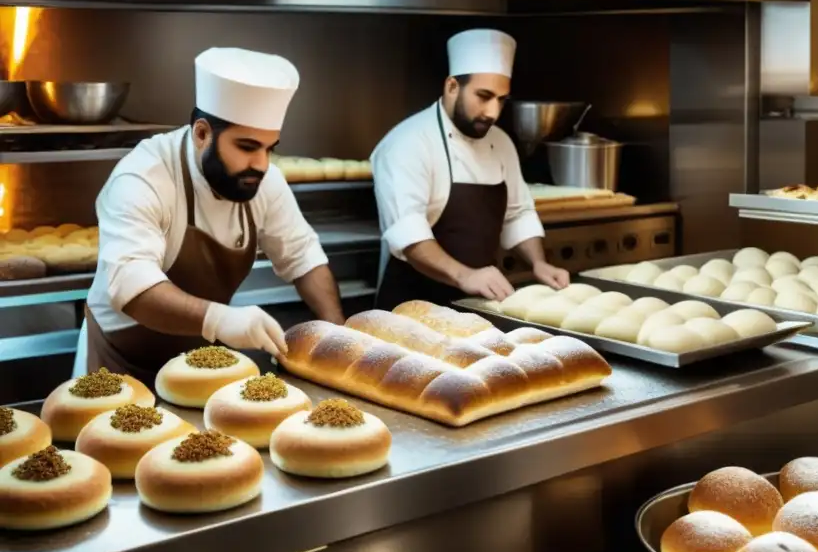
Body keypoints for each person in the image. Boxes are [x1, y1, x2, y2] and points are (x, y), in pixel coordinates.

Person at [72, 47, 344, 384]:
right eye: (246, 147)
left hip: (196, 367)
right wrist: (220, 319)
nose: (260, 164)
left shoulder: (263, 180)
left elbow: (303, 257)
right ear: (202, 133)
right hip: (118, 364)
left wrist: (339, 335)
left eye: (269, 148)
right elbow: (132, 286)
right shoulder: (143, 177)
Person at [371, 28, 569, 309]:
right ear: (452, 86)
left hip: (477, 305)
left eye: (501, 99)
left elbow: (517, 213)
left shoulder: (500, 143)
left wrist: (539, 263)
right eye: (484, 96)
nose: (493, 112)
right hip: (411, 306)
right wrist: (466, 276)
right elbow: (409, 234)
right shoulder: (407, 143)